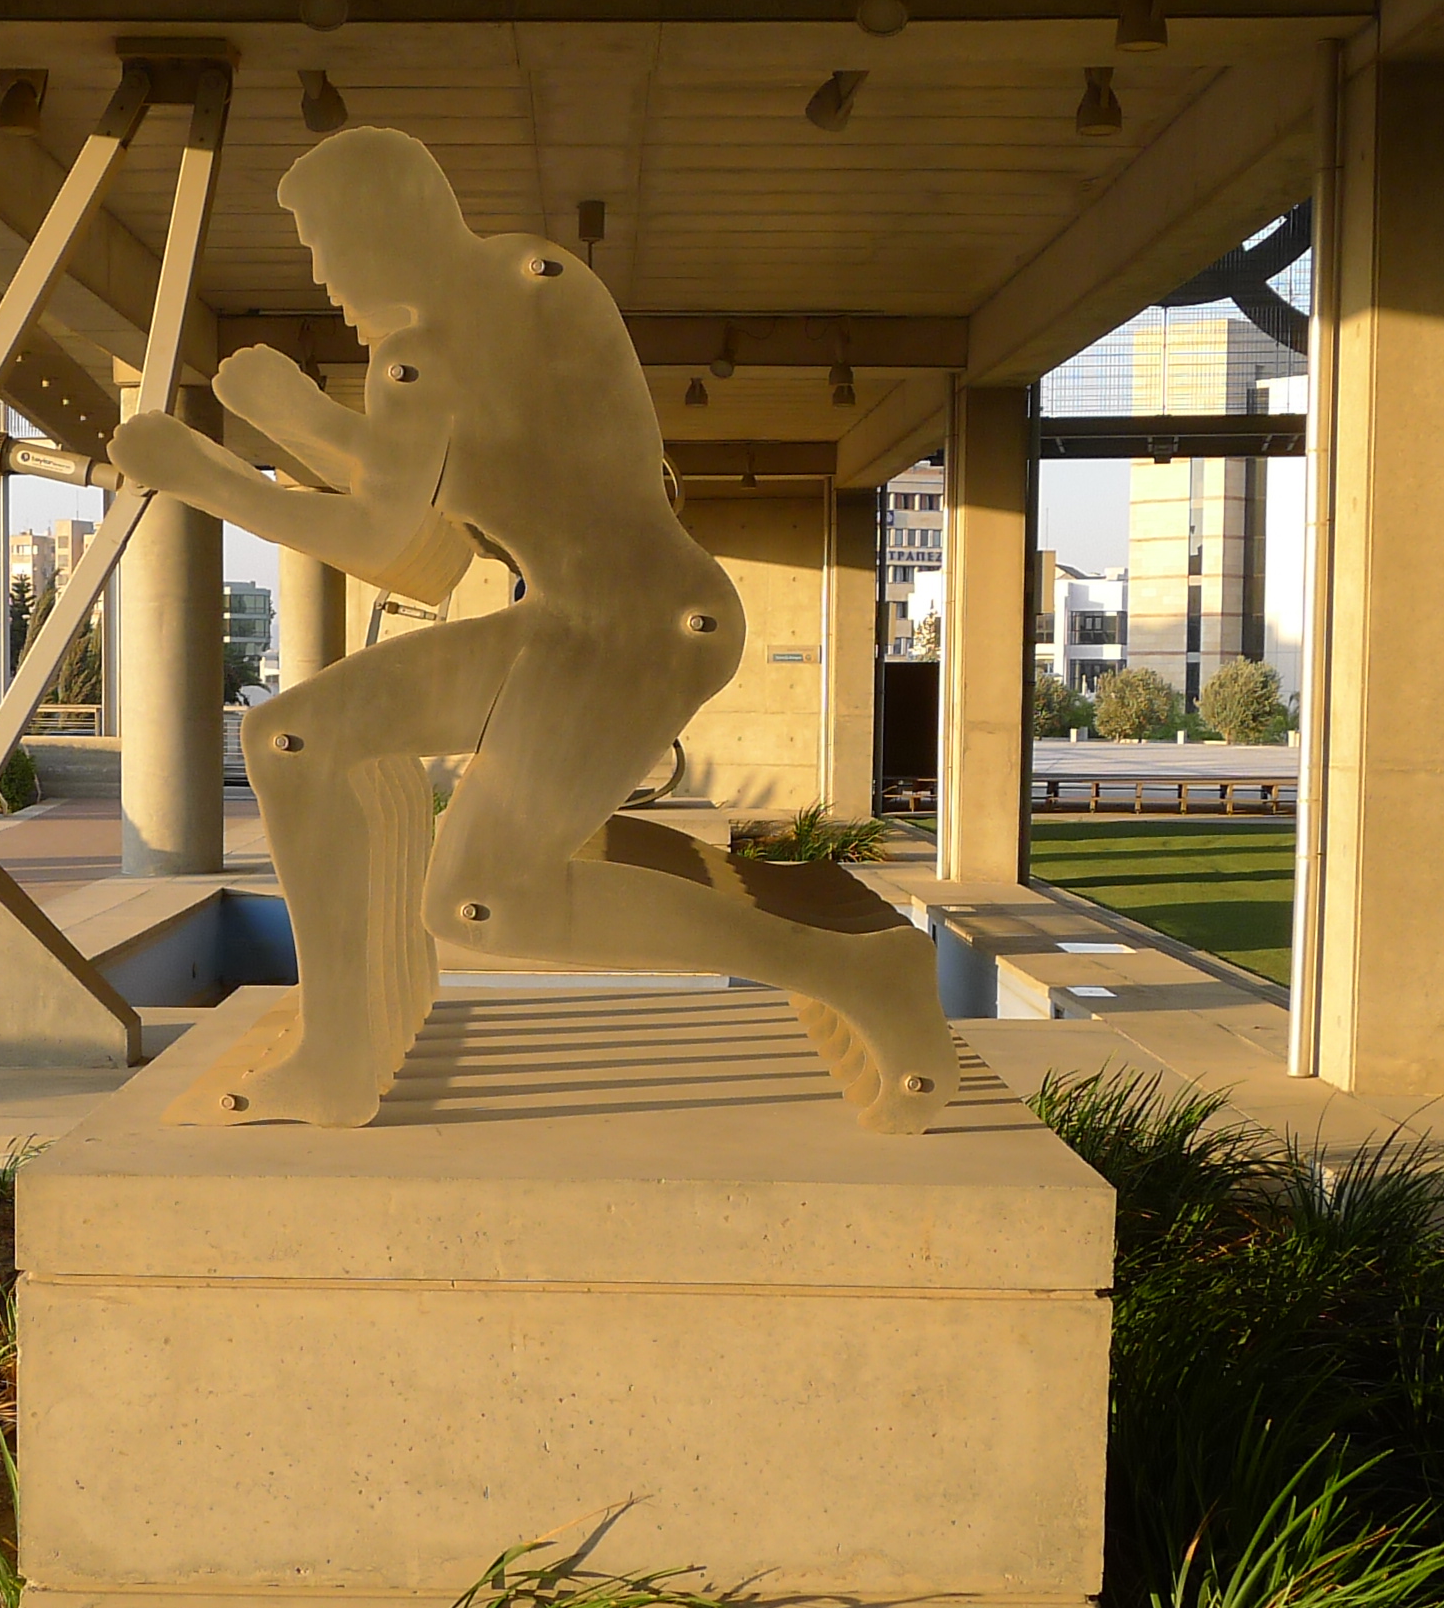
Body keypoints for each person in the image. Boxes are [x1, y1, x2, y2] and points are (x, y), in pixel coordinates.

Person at [107, 127, 959, 1133]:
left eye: (324, 244)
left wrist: (203, 474)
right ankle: (335, 1058)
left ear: (384, 223)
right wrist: (293, 417)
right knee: (291, 736)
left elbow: (391, 544)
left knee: (480, 902)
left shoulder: (425, 353)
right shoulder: (536, 278)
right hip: (576, 618)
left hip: (635, 632)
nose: (325, 279)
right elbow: (447, 502)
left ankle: (859, 972)